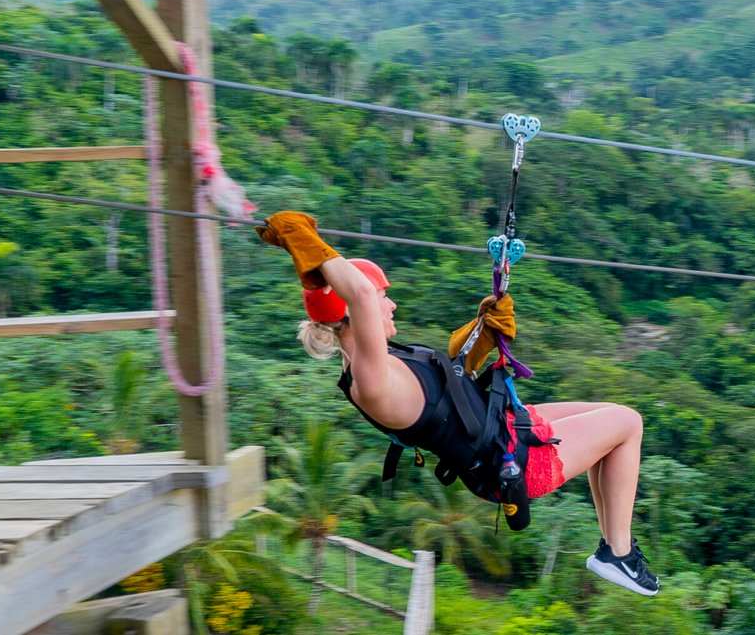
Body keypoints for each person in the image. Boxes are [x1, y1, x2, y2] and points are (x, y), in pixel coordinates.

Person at [256, 211, 659, 596]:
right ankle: (618, 552)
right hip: (512, 460)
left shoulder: (389, 359)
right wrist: (300, 239)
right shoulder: (369, 380)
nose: (390, 304)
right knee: (627, 422)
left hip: (504, 427)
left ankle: (614, 546)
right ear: (353, 309)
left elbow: (449, 381)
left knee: (609, 420)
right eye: (383, 297)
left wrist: (483, 329)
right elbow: (359, 292)